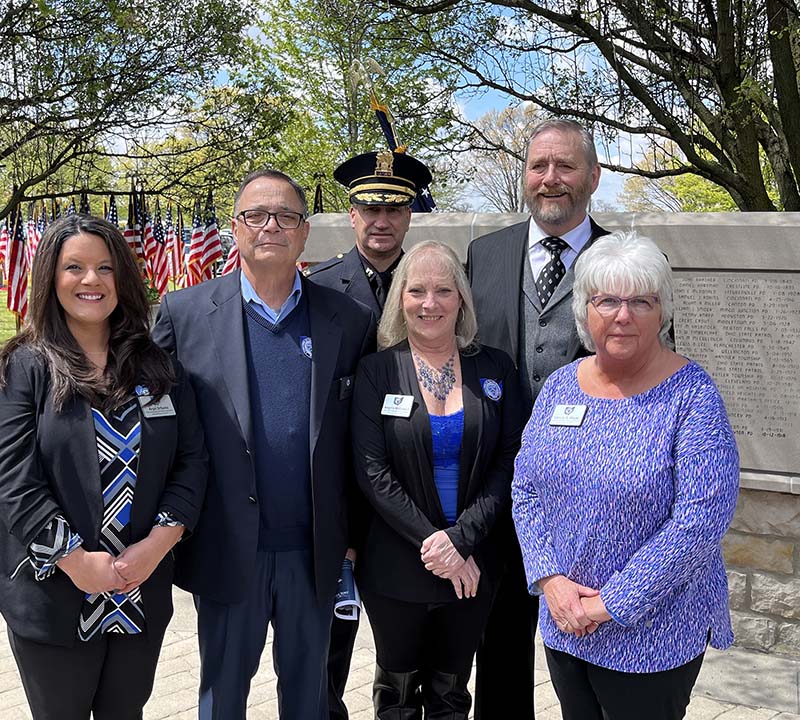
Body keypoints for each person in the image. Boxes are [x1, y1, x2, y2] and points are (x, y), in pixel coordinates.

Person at [152, 169, 375, 720]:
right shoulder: (183, 314)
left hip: (314, 551)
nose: (270, 225)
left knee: (308, 700)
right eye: (256, 215)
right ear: (235, 228)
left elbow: (359, 438)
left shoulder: (348, 319)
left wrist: (355, 534)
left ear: (304, 233)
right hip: (227, 548)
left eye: (287, 216)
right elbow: (158, 428)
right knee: (222, 698)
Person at [512, 231, 739, 720]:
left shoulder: (692, 397)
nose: (623, 315)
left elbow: (701, 520)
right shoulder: (558, 386)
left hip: (654, 635)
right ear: (584, 309)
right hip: (565, 623)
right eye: (608, 300)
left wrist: (610, 604)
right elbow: (525, 489)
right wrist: (550, 579)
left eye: (641, 300)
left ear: (663, 311)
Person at [0, 214, 207, 720]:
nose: (91, 280)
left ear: (124, 280)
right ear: (51, 276)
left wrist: (156, 545)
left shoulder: (159, 367)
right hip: (53, 593)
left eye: (106, 268)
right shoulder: (24, 366)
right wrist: (73, 559)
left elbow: (192, 461)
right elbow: (12, 479)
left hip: (139, 589)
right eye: (75, 267)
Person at [466, 117, 608, 717]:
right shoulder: (483, 255)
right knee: (499, 654)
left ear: (593, 177)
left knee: (589, 654)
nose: (551, 179)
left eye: (565, 166)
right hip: (499, 490)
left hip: (588, 499)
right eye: (538, 166)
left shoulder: (625, 260)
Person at [351, 241, 523, 718]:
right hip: (397, 564)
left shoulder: (495, 368)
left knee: (450, 694)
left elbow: (510, 459)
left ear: (462, 300)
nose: (430, 303)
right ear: (400, 299)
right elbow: (372, 471)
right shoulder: (376, 371)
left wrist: (462, 540)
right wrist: (436, 543)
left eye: (444, 290)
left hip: (472, 568)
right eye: (418, 290)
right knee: (398, 696)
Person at [307, 148, 431, 720]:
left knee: (409, 647)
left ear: (410, 215)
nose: (382, 220)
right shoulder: (318, 288)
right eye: (368, 206)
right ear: (351, 212)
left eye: (395, 208)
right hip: (338, 490)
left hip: (414, 491)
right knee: (329, 644)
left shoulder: (432, 286)